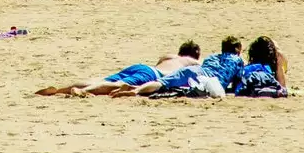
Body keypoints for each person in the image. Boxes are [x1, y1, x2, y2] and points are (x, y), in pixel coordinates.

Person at [37, 44, 201, 97]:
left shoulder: (168, 56)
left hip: (143, 66)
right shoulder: (192, 61)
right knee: (116, 84)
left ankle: (58, 89)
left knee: (104, 80)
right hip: (152, 75)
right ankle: (81, 91)